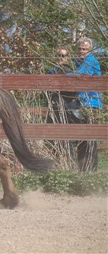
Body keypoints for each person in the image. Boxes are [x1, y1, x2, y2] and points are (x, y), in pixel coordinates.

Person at [49, 39, 102, 171]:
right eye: (79, 49)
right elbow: (60, 70)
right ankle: (81, 170)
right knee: (81, 136)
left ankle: (90, 170)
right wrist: (59, 68)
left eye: (84, 49)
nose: (81, 51)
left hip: (91, 103)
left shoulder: (91, 61)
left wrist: (60, 77)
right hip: (81, 103)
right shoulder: (78, 61)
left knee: (89, 138)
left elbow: (79, 75)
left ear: (90, 50)